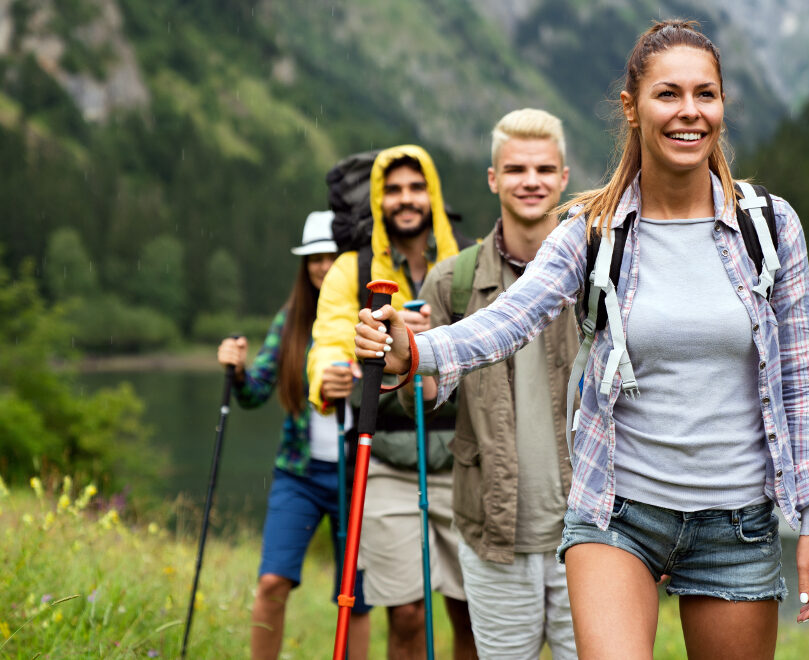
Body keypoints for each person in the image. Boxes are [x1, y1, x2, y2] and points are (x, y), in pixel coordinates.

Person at [356, 20, 809, 660]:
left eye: (706, 94)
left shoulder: (771, 228)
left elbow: (801, 378)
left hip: (739, 524)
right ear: (632, 108)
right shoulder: (595, 230)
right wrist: (414, 351)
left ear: (723, 105)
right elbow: (511, 318)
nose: (689, 112)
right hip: (618, 513)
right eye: (668, 94)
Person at [408, 108, 578, 658]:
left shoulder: (601, 271)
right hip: (493, 534)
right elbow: (431, 394)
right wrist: (407, 357)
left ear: (564, 177)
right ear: (493, 179)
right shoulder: (451, 281)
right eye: (516, 169)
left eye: (544, 170)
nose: (531, 182)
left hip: (595, 533)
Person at [308, 146, 477, 659]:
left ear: (434, 195)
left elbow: (497, 339)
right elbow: (331, 339)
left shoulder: (469, 262)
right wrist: (328, 377)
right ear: (379, 200)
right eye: (395, 190)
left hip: (466, 460)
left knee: (471, 612)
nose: (406, 200)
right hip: (385, 457)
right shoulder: (352, 270)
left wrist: (435, 339)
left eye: (416, 188)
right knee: (405, 612)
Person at [216, 211, 372, 660]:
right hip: (298, 475)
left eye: (332, 257)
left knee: (355, 598)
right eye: (314, 259)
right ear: (304, 267)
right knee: (272, 582)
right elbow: (253, 393)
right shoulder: (291, 320)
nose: (323, 267)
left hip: (357, 474)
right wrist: (238, 370)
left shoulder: (367, 320)